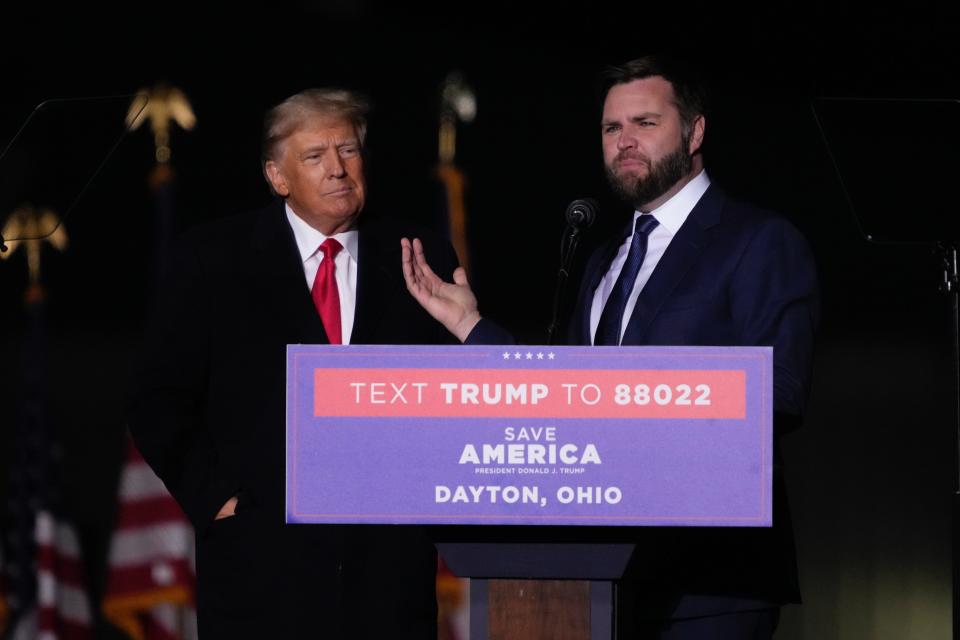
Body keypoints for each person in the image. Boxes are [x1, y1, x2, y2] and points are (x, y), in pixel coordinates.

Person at [402, 55, 818, 638]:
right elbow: (569, 396)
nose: (625, 141)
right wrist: (474, 327)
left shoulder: (758, 241)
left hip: (711, 584)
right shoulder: (603, 259)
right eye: (611, 128)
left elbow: (778, 393)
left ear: (695, 132)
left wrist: (644, 411)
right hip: (601, 580)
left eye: (645, 123)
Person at [128, 88, 458, 638]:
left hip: (388, 580)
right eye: (315, 156)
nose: (337, 169)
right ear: (276, 176)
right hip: (259, 576)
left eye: (348, 151)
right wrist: (220, 503)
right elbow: (156, 401)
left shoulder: (419, 255)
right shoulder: (212, 260)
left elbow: (457, 398)